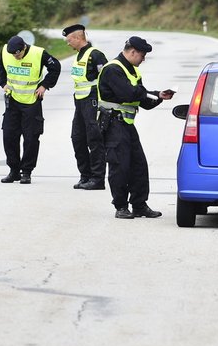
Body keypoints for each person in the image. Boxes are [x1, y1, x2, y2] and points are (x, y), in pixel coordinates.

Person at [97, 36, 174, 219]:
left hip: (127, 124)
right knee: (119, 166)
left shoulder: (132, 71)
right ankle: (121, 206)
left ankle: (139, 205)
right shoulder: (113, 69)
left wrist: (159, 97)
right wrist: (151, 93)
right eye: (142, 55)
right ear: (132, 52)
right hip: (113, 123)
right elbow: (128, 93)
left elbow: (142, 100)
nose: (143, 59)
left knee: (139, 165)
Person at [0, 35, 61, 185]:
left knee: (31, 138)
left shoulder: (38, 53)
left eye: (18, 54)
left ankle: (26, 172)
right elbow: (0, 67)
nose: (15, 57)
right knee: (9, 136)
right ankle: (14, 171)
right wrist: (3, 83)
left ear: (24, 48)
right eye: (13, 54)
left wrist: (45, 85)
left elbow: (55, 67)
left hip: (32, 101)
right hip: (12, 100)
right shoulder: (5, 51)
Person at [62, 24, 108, 191]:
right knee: (77, 138)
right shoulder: (78, 55)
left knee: (94, 139)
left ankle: (97, 179)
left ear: (77, 38)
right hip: (80, 102)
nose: (68, 43)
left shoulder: (95, 55)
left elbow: (106, 78)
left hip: (92, 101)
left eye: (69, 40)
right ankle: (85, 175)